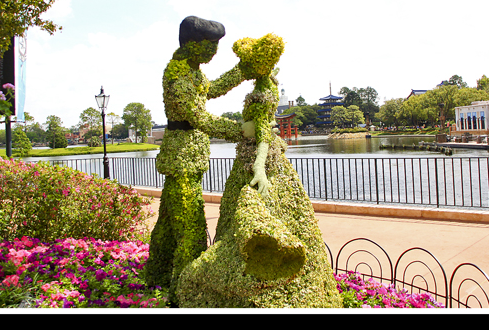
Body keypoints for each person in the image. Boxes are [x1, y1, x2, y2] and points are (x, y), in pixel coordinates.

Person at [175, 33, 342, 308]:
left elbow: (263, 131)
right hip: (251, 156)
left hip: (256, 159)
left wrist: (259, 166)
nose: (243, 68)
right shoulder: (264, 84)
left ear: (257, 65)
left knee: (257, 210)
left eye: (247, 64)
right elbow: (218, 90)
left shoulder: (264, 92)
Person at [143, 16, 253, 300]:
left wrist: (242, 70)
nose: (214, 51)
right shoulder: (178, 74)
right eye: (209, 45)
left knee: (168, 227)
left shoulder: (193, 72)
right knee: (191, 232)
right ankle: (186, 293)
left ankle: (155, 278)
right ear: (192, 44)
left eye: (216, 45)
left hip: (188, 161)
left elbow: (211, 89)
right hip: (181, 161)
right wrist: (242, 131)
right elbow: (198, 117)